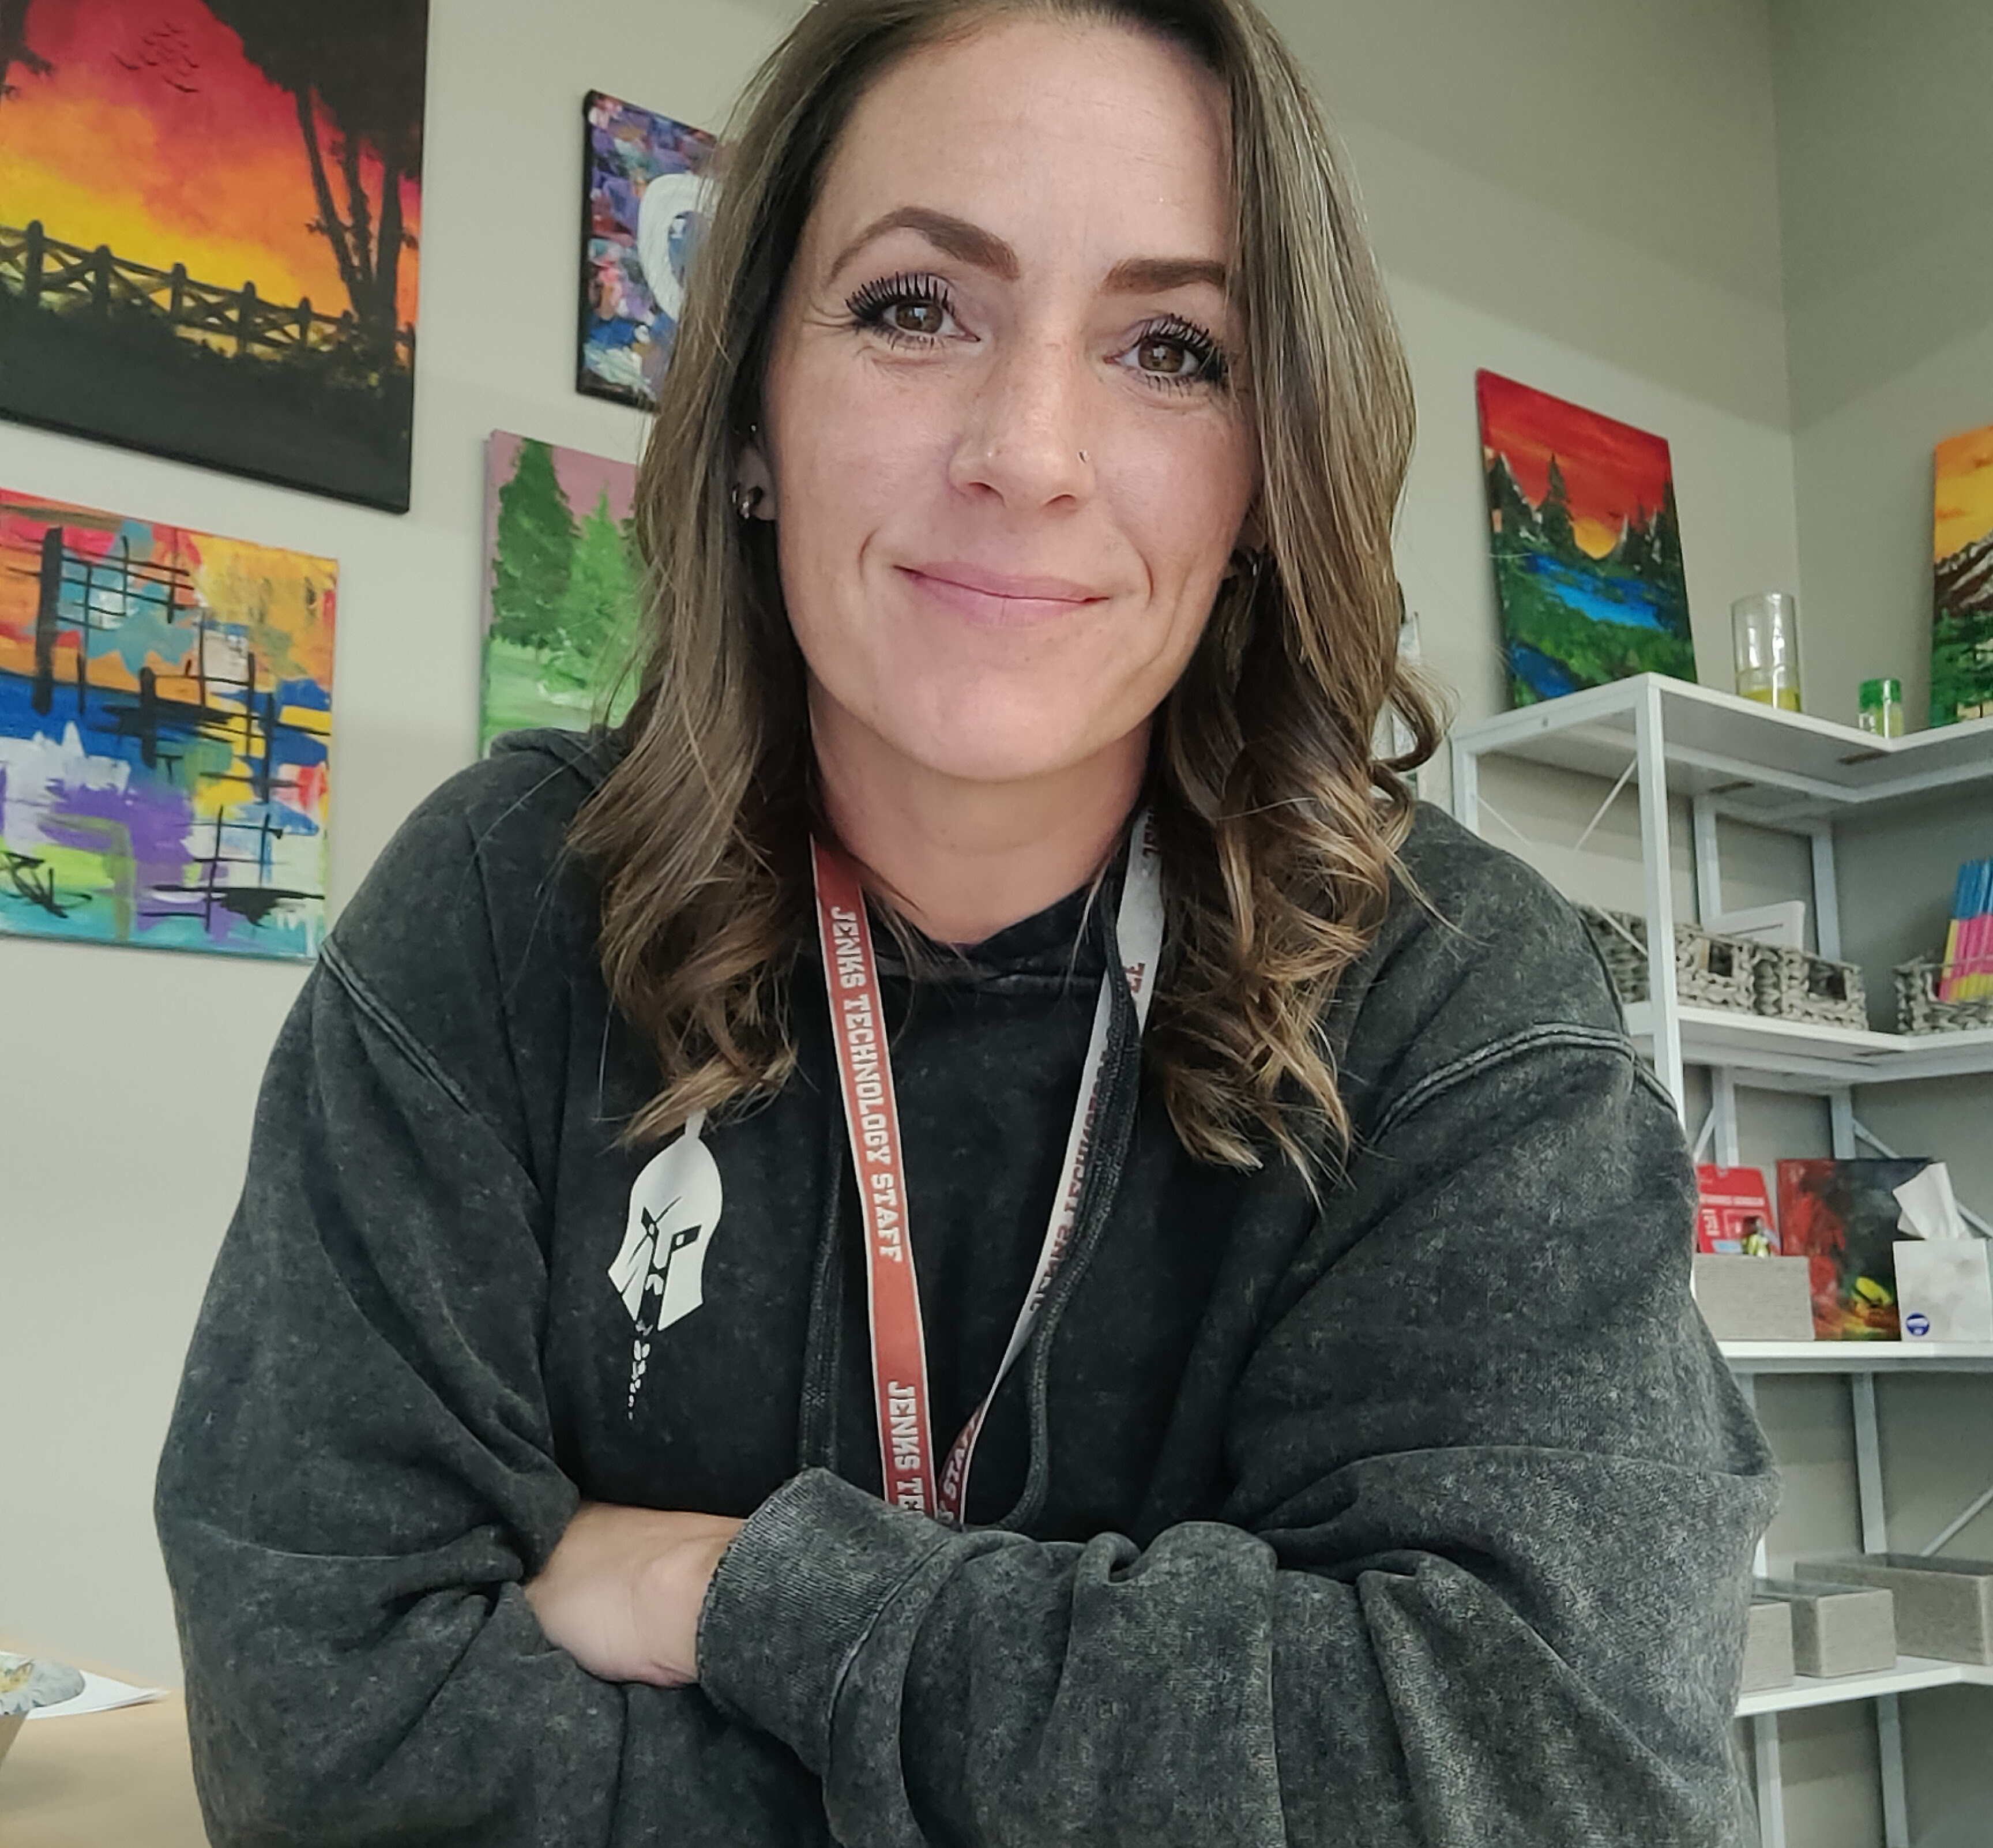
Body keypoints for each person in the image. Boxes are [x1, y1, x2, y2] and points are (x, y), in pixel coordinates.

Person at [155, 0, 1777, 1842]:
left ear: (1263, 480)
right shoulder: (500, 912)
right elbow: (326, 1737)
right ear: (752, 413)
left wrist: (739, 1590)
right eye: (916, 306)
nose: (1030, 450)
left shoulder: (1453, 1001)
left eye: (1172, 347)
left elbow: (1564, 1776)